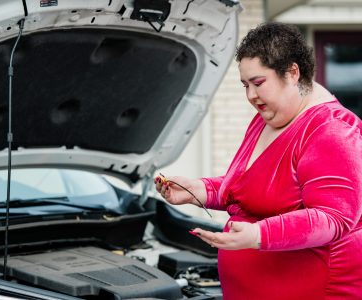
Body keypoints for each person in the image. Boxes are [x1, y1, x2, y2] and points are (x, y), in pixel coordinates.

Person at [154, 22, 362, 300]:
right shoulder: (266, 118)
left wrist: (258, 235)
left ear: (292, 72)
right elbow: (245, 187)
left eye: (258, 83)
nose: (250, 96)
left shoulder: (333, 129)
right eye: (244, 85)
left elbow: (333, 218)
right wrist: (197, 190)